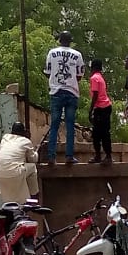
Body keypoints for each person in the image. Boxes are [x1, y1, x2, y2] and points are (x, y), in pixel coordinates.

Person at [43, 31, 85, 165]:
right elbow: (79, 75)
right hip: (72, 92)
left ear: (60, 40)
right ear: (70, 41)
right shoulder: (77, 55)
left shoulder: (52, 53)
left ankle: (51, 157)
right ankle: (69, 156)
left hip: (56, 92)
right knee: (70, 125)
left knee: (54, 125)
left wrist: (56, 80)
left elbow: (47, 72)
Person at [0, 122, 39, 203]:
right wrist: (35, 151)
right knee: (33, 167)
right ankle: (34, 195)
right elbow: (33, 159)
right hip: (15, 173)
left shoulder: (5, 138)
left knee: (10, 195)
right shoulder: (26, 141)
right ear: (23, 132)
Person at [87, 59, 113, 165]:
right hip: (106, 107)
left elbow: (95, 95)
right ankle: (107, 155)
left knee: (97, 134)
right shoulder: (101, 78)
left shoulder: (94, 78)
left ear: (92, 67)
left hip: (101, 108)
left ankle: (100, 156)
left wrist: (91, 110)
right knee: (104, 133)